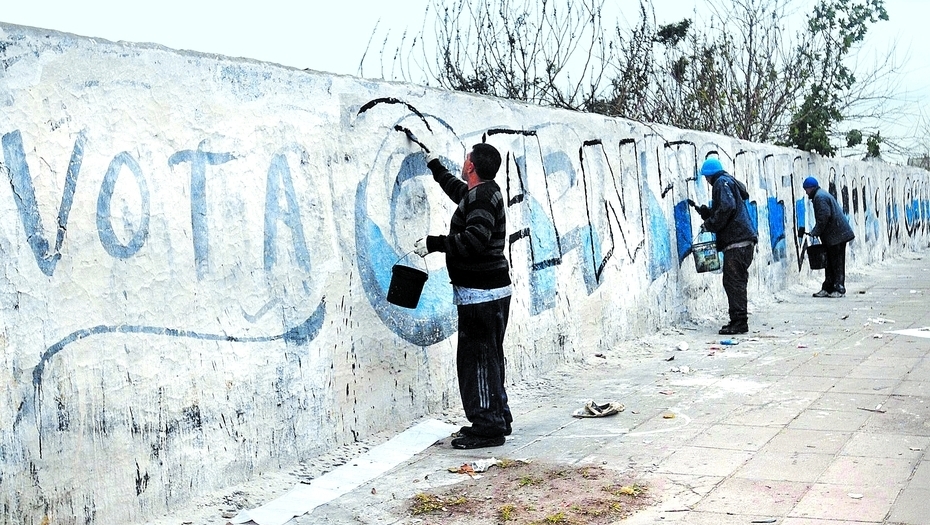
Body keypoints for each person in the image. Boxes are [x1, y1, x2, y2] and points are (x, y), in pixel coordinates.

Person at [413, 143, 513, 449]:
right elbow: (460, 193)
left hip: (481, 296)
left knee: (477, 362)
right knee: (489, 359)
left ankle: (487, 428)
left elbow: (476, 240)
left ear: (471, 166)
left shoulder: (481, 197)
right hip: (489, 293)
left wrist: (435, 243)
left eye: (465, 159)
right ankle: (497, 416)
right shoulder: (482, 192)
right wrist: (435, 167)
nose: (463, 162)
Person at [693, 157, 758, 335]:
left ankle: (739, 322)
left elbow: (728, 208)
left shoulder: (721, 183)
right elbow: (729, 208)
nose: (706, 181)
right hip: (744, 242)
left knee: (733, 282)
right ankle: (738, 320)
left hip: (736, 243)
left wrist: (710, 223)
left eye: (706, 177)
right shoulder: (729, 183)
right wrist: (709, 214)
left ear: (710, 175)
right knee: (735, 282)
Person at [802, 176, 855, 298]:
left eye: (806, 189)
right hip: (834, 235)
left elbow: (824, 217)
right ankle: (828, 287)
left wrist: (815, 232)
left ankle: (839, 288)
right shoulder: (820, 195)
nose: (806, 192)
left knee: (837, 262)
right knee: (830, 262)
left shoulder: (819, 197)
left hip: (837, 235)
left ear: (811, 188)